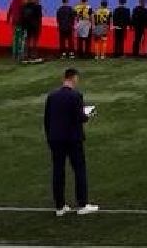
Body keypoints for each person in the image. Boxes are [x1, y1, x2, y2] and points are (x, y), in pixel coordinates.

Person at [44, 68, 98, 216]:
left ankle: (60, 207)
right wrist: (88, 114)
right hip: (73, 139)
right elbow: (80, 117)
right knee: (79, 170)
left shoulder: (52, 96)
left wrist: (50, 137)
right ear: (74, 78)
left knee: (58, 172)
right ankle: (82, 204)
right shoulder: (76, 96)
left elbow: (47, 120)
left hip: (56, 139)